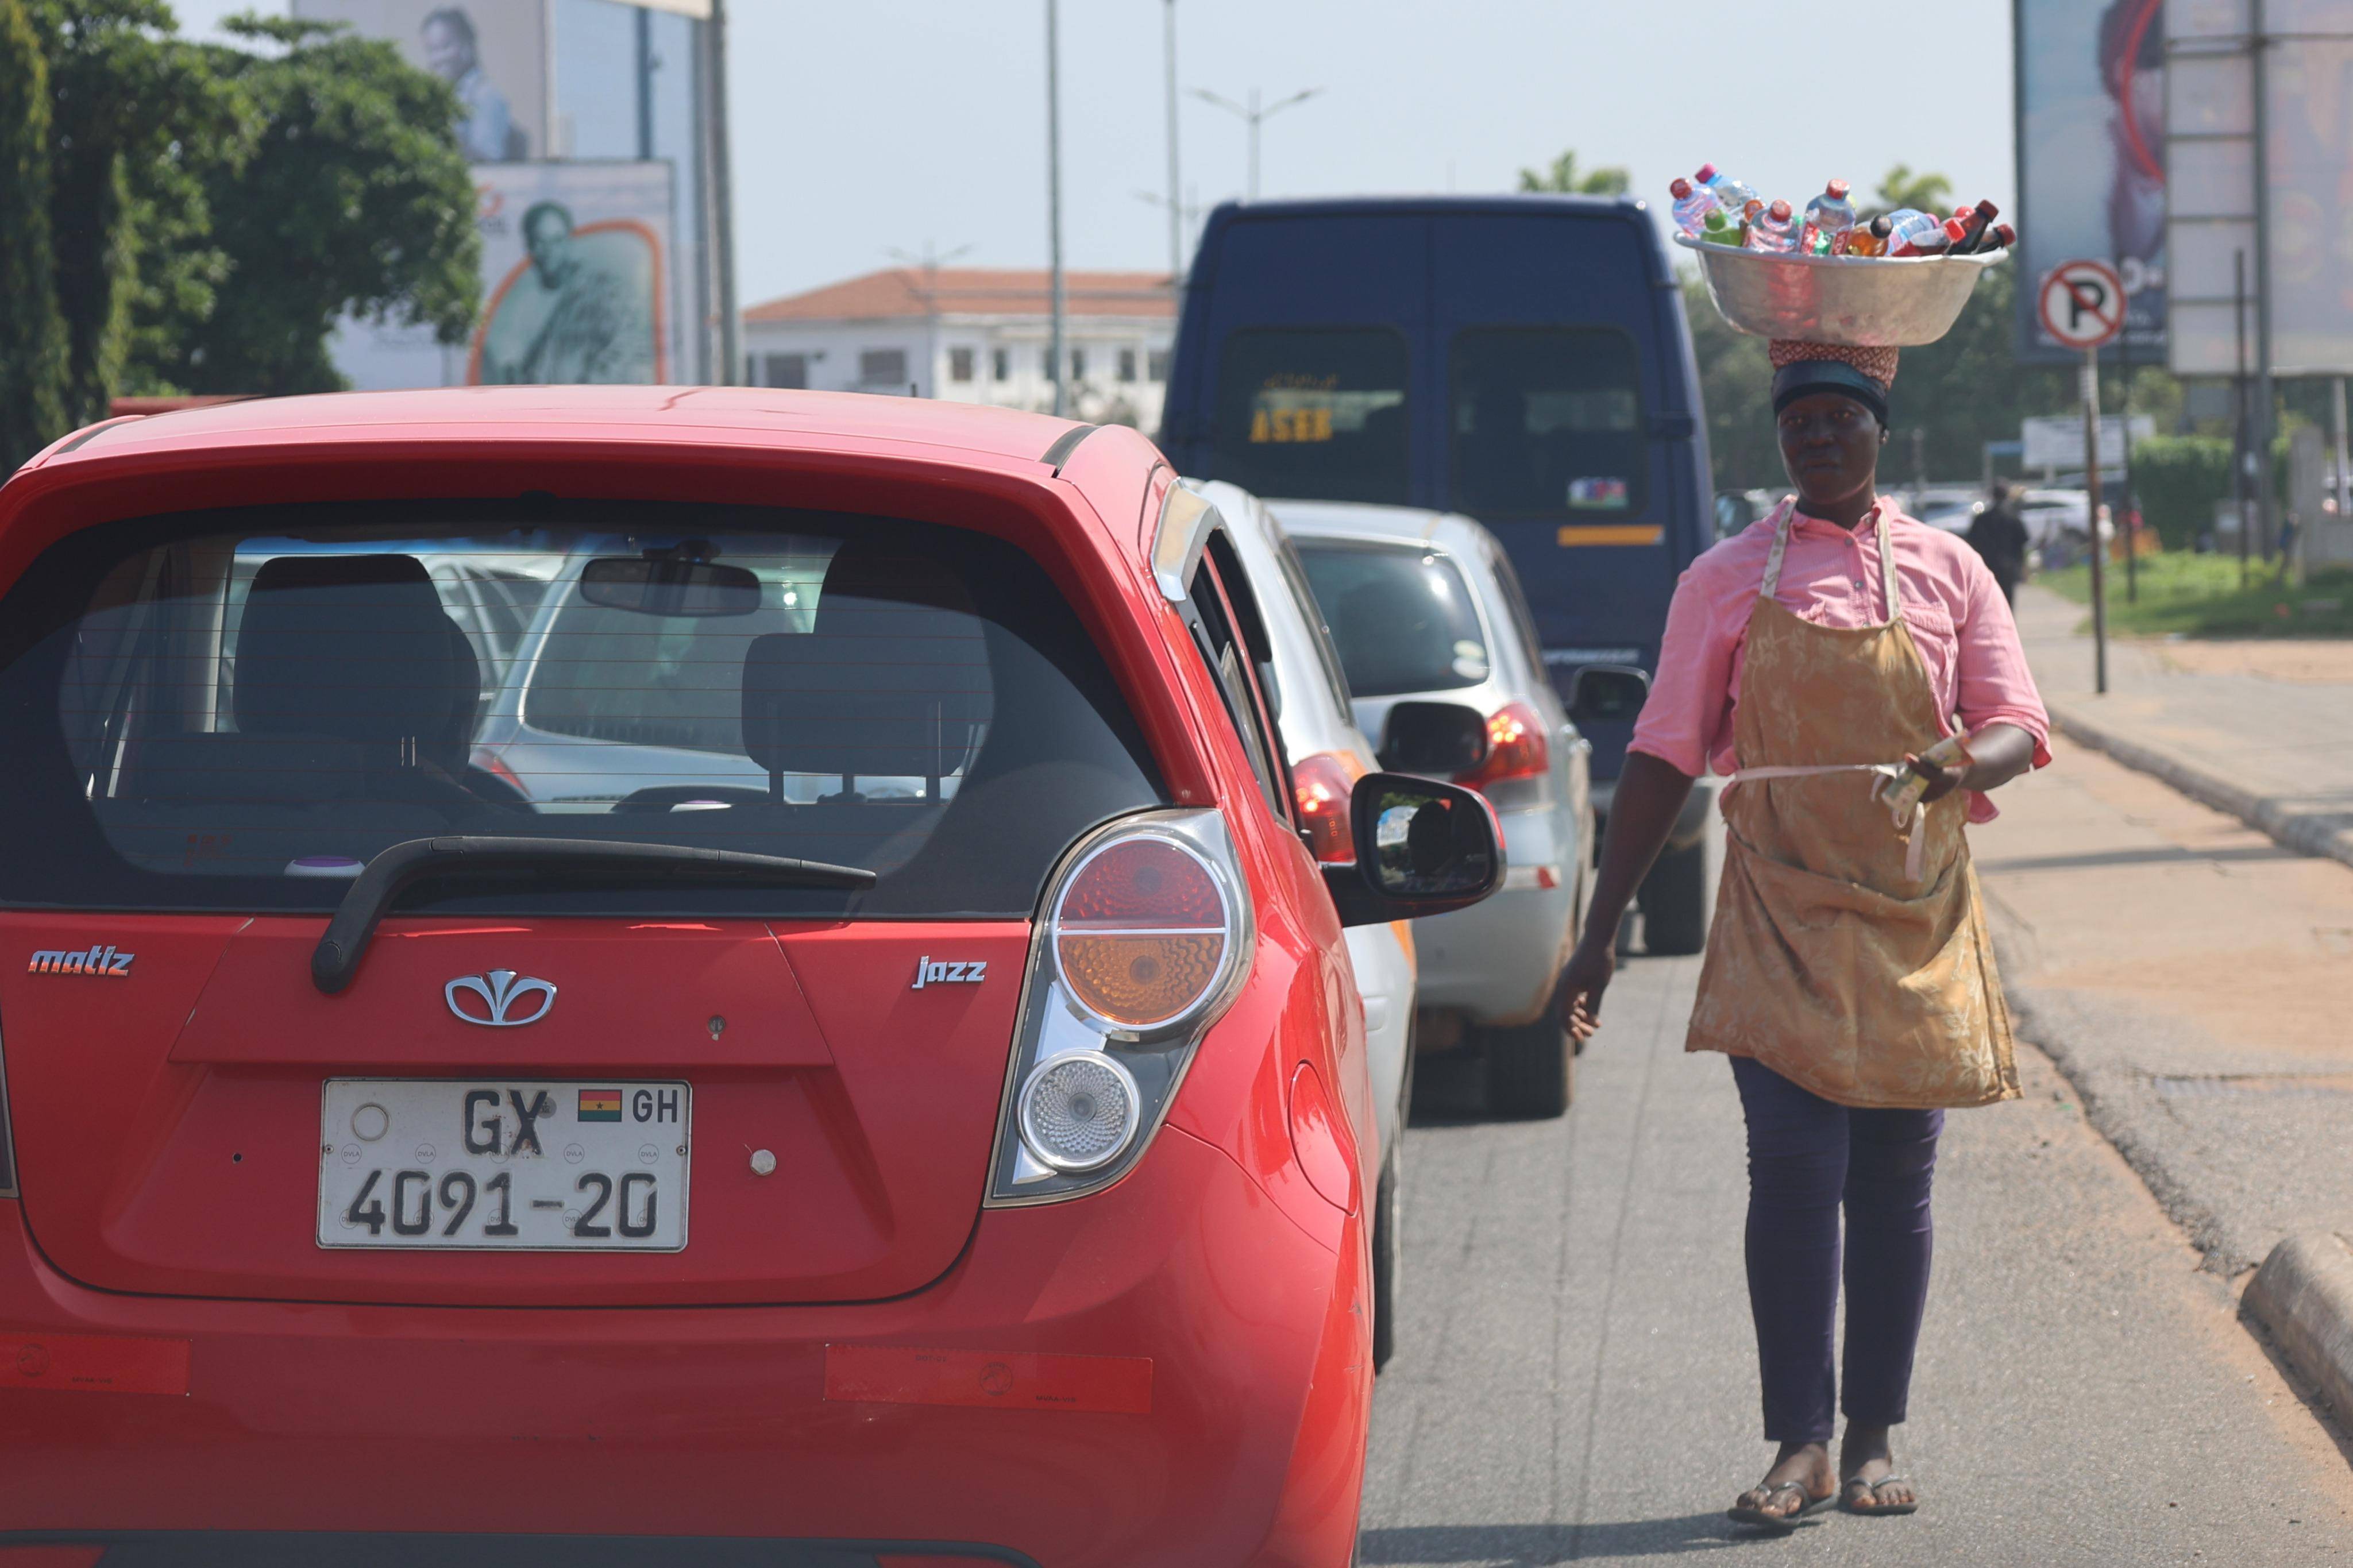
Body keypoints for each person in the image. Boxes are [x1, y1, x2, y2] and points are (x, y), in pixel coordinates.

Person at [1557, 340, 2049, 1532]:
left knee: (1890, 1179)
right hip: (1775, 905)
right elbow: (1664, 752)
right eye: (1798, 423)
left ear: (1880, 433)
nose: (1818, 437)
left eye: (1840, 419)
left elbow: (2015, 725)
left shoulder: (1948, 569)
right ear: (1777, 441)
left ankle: (1873, 1433)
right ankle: (1800, 1441)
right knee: (1788, 1171)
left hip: (1908, 913)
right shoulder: (1721, 578)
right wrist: (1596, 931)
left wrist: (1946, 764)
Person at [481, 202, 657, 385]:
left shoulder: (603, 292)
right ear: (529, 246)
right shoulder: (520, 305)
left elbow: (626, 350)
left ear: (569, 242)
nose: (549, 251)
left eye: (557, 240)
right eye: (540, 241)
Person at [421, 6, 527, 163]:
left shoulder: (485, 97)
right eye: (432, 50)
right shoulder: (447, 98)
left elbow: (489, 165)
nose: (437, 59)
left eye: (445, 47)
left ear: (467, 45)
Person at [1967, 482, 2031, 606]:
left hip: (1987, 566)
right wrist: (2023, 566)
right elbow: (2023, 542)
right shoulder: (2013, 517)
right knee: (2007, 602)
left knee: (1988, 602)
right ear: (2006, 495)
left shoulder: (1981, 519)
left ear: (1992, 496)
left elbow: (1972, 542)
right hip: (2009, 566)